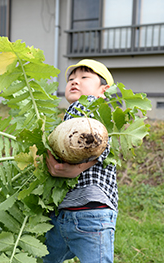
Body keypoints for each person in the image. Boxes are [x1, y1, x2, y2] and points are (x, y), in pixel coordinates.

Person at [43, 59, 118, 263]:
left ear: (104, 89)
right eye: (71, 79)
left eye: (85, 77)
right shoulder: (71, 115)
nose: (75, 81)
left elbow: (101, 140)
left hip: (90, 210)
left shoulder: (89, 106)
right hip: (67, 213)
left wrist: (79, 167)